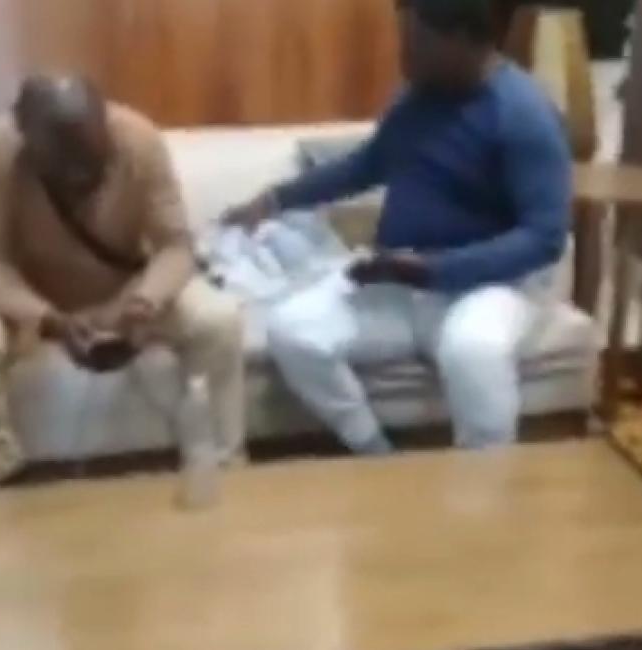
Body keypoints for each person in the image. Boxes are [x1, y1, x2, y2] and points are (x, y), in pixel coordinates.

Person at [225, 0, 571, 454]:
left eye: (416, 40)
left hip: (491, 288)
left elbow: (544, 238)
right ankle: (375, 453)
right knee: (293, 329)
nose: (403, 54)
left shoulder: (523, 113)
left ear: (462, 39)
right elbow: (366, 165)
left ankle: (487, 478)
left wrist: (434, 269)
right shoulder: (415, 99)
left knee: (472, 349)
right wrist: (275, 200)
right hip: (401, 282)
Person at [0, 75, 246, 487]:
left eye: (91, 165)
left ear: (105, 124)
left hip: (125, 293)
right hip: (28, 301)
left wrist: (143, 302)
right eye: (64, 169)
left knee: (218, 320)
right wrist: (48, 319)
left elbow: (175, 248)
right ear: (25, 138)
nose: (80, 179)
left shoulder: (138, 140)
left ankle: (221, 466)